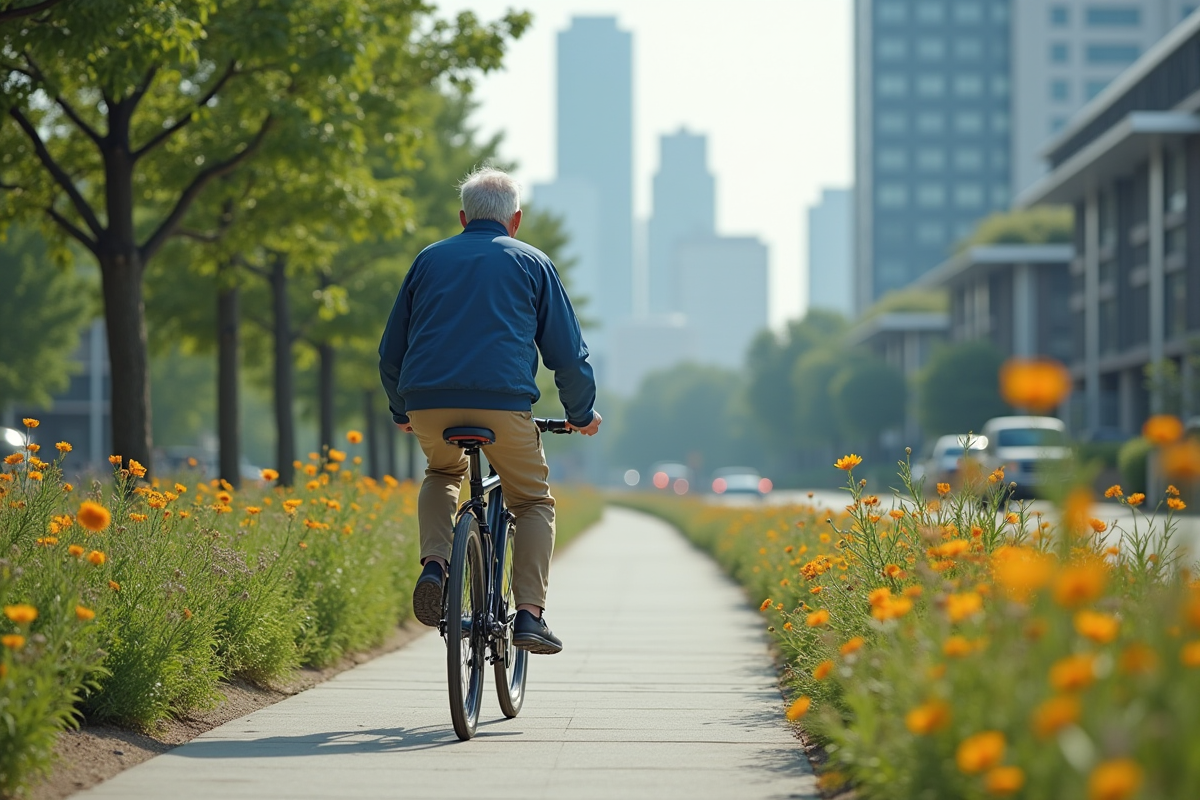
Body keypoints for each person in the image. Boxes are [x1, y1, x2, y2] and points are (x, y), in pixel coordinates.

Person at [378, 167, 600, 655]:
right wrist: (581, 413)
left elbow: (391, 350)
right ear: (515, 220)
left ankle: (435, 565)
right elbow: (567, 354)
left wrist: (402, 408)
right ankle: (528, 615)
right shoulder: (533, 263)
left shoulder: (427, 260)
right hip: (503, 405)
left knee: (441, 472)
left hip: (428, 401)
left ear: (462, 217)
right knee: (533, 502)